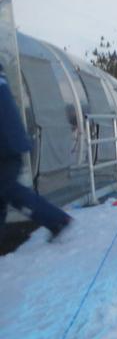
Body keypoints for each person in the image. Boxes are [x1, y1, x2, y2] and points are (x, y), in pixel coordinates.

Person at [0, 63, 72, 238]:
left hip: (6, 149)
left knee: (11, 192)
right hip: (10, 146)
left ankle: (57, 219)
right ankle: (57, 220)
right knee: (5, 194)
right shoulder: (2, 83)